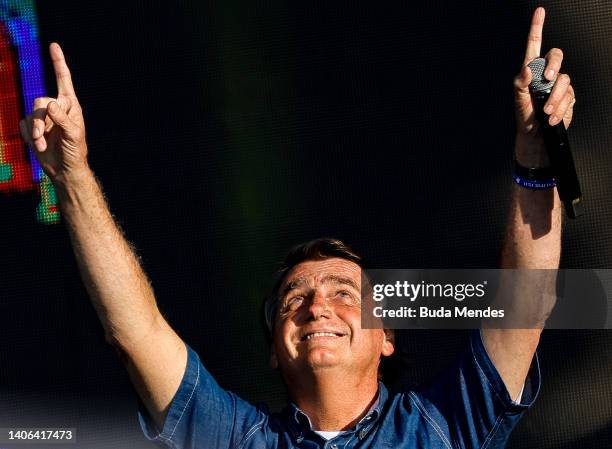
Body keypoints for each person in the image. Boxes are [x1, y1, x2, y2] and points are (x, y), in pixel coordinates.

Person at [20, 7, 575, 449]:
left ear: (386, 337)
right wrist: (73, 176)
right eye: (293, 299)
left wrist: (534, 154)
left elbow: (524, 308)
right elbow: (135, 332)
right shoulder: (232, 437)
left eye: (345, 294)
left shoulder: (445, 426)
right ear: (273, 351)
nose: (317, 307)